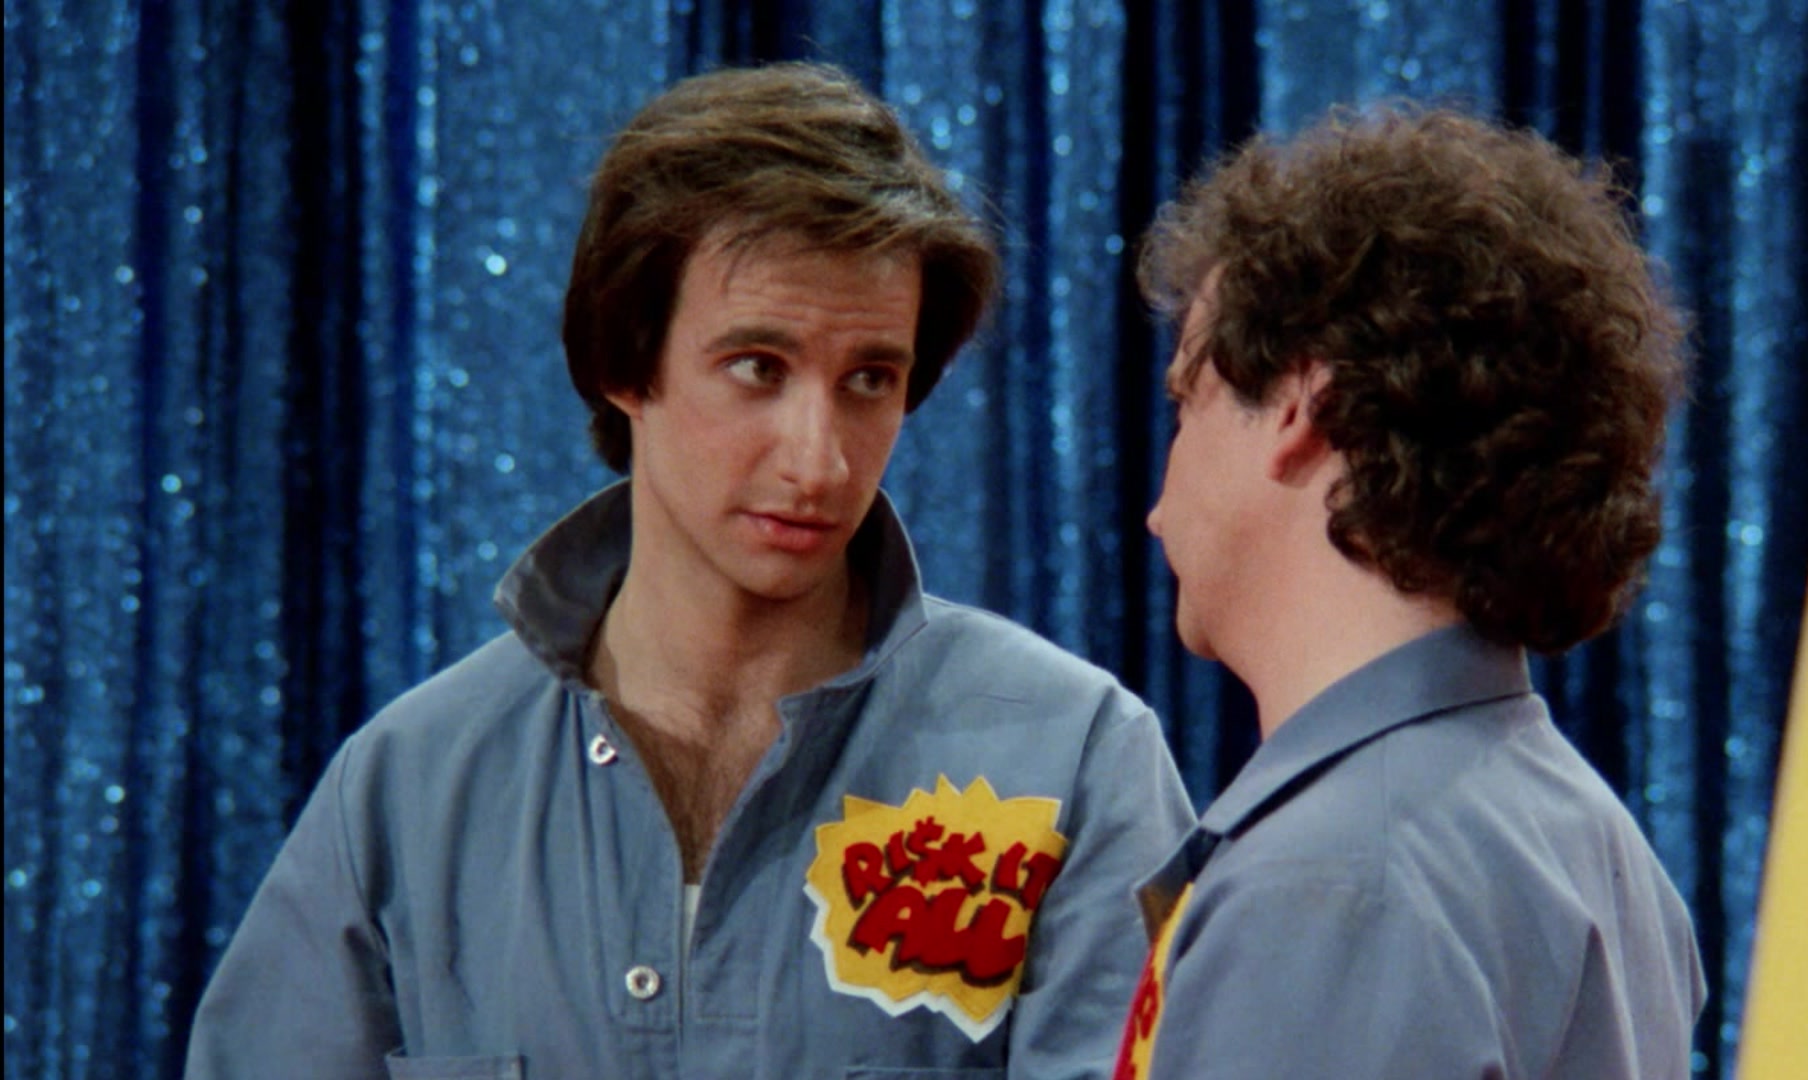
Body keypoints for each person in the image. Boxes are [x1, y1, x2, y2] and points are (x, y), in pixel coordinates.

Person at [186, 62, 1193, 1078]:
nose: (819, 461)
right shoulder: (406, 792)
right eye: (758, 367)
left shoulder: (1074, 764)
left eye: (868, 380)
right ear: (625, 364)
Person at [1112, 105, 1706, 1079]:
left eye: (1188, 397)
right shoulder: (1589, 837)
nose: (1157, 504)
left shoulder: (1333, 881)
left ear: (1302, 407)